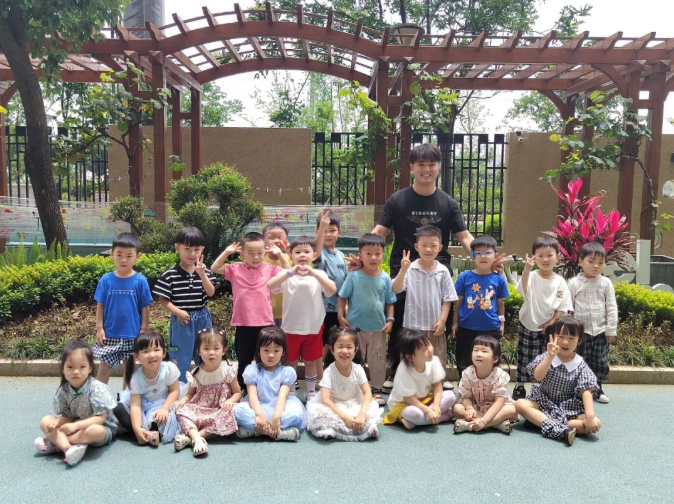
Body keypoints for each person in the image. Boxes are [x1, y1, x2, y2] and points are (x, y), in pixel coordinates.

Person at [370, 144, 474, 392]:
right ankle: (397, 371)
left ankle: (437, 374)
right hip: (404, 270)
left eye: (431, 164)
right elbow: (379, 232)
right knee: (401, 323)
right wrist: (364, 255)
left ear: (438, 167)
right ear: (411, 168)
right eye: (421, 164)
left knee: (437, 324)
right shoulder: (397, 200)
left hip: (438, 271)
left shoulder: (448, 203)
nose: (426, 169)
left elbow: (464, 237)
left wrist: (485, 258)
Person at [211, 232, 290, 388]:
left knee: (266, 358)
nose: (256, 257)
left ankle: (266, 387)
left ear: (265, 253)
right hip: (243, 323)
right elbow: (215, 268)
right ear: (242, 254)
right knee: (244, 359)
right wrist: (227, 252)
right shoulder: (235, 268)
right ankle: (243, 389)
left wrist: (280, 254)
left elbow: (289, 271)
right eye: (251, 253)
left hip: (265, 323)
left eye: (260, 253)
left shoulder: (270, 269)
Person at [267, 235, 337, 400]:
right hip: (290, 328)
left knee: (311, 361)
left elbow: (332, 290)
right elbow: (270, 286)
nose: (302, 255)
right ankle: (290, 390)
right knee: (290, 361)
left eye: (307, 251)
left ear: (314, 255)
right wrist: (289, 272)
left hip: (313, 327)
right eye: (297, 252)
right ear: (290, 256)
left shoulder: (319, 274)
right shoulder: (286, 274)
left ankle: (311, 391)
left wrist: (313, 273)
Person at [515, 316, 601, 446]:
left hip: (569, 408)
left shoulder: (580, 365)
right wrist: (550, 356)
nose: (565, 342)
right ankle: (562, 430)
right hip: (543, 402)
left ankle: (542, 422)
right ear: (553, 336)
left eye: (571, 338)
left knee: (595, 423)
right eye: (561, 337)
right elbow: (538, 376)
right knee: (520, 404)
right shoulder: (547, 356)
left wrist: (589, 417)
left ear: (579, 340)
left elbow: (586, 391)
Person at [392, 225, 457, 389]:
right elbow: (396, 289)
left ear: (440, 248)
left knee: (436, 358)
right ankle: (411, 391)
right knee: (411, 359)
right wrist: (403, 269)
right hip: (412, 327)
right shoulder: (410, 269)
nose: (428, 249)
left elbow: (448, 299)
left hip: (435, 327)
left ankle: (436, 389)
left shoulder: (443, 271)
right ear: (416, 246)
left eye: (433, 245)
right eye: (424, 245)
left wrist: (443, 321)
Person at [35, 341, 117, 466]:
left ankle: (56, 442)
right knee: (45, 421)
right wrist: (57, 423)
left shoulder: (97, 388)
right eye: (70, 367)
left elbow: (100, 418)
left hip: (100, 428)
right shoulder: (63, 390)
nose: (76, 372)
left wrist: (76, 426)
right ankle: (68, 448)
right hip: (74, 427)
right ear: (63, 369)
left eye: (82, 367)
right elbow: (67, 416)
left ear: (90, 368)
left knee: (95, 430)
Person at [338, 233, 396, 406]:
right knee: (355, 360)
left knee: (378, 361)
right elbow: (342, 297)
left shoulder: (385, 278)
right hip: (355, 329)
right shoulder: (354, 276)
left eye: (377, 254)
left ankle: (376, 391)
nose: (373, 258)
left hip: (378, 329)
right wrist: (340, 315)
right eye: (368, 253)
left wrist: (390, 320)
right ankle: (355, 390)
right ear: (360, 255)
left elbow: (390, 302)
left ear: (383, 255)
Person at [153, 227, 218, 382]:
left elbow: (211, 292)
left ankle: (206, 385)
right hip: (182, 320)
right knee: (180, 356)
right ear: (177, 248)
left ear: (202, 250)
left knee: (205, 352)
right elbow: (162, 299)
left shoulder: (205, 272)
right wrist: (177, 312)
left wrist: (202, 275)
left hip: (202, 319)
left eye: (196, 249)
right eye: (187, 249)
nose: (192, 253)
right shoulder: (170, 275)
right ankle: (179, 386)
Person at [512, 237, 572, 401]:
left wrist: (552, 322)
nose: (545, 259)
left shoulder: (560, 281)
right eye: (540, 255)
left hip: (550, 327)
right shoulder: (531, 276)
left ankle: (544, 387)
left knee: (547, 357)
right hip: (528, 324)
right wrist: (526, 270)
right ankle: (520, 384)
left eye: (549, 255)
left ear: (557, 257)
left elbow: (563, 306)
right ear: (534, 257)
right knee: (525, 356)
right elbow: (523, 290)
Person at [93, 232, 152, 385]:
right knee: (104, 367)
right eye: (119, 255)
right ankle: (99, 397)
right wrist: (99, 328)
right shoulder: (106, 280)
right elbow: (100, 305)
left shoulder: (141, 281)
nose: (124, 260)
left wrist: (144, 329)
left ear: (137, 256)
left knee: (129, 369)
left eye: (129, 255)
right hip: (109, 334)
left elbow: (144, 307)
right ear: (111, 254)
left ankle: (127, 398)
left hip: (132, 334)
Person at [306, 327, 382, 441]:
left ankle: (367, 428)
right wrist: (344, 417)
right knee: (319, 414)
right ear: (332, 349)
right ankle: (332, 429)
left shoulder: (358, 369)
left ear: (355, 350)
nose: (345, 351)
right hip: (334, 405)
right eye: (340, 347)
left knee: (370, 411)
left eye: (349, 347)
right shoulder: (329, 372)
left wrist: (361, 413)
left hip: (354, 403)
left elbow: (367, 393)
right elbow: (325, 399)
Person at [174, 328, 241, 457]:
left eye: (216, 348)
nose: (211, 353)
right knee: (181, 411)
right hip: (201, 407)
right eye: (206, 348)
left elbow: (237, 392)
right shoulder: (196, 373)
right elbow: (190, 394)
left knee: (228, 413)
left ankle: (195, 438)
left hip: (219, 408)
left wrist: (230, 401)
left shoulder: (228, 370)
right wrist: (183, 400)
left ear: (224, 350)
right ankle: (196, 438)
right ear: (198, 351)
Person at [114, 331, 187, 446]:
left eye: (156, 350)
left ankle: (145, 430)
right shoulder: (136, 378)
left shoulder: (169, 369)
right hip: (145, 406)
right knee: (118, 409)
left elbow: (174, 391)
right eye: (146, 351)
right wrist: (137, 428)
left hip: (167, 402)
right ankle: (141, 432)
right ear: (136, 356)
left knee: (181, 412)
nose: (152, 355)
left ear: (164, 353)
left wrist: (164, 409)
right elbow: (136, 405)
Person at [234, 327, 307, 441]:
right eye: (266, 350)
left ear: (283, 352)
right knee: (237, 411)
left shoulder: (286, 372)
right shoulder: (252, 370)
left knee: (296, 414)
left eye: (276, 351)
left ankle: (257, 431)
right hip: (257, 407)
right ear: (259, 351)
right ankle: (279, 433)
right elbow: (252, 395)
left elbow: (282, 396)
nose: (271, 355)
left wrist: (276, 418)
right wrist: (260, 415)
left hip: (281, 408)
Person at [567, 242, 618, 404]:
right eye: (591, 261)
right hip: (580, 332)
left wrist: (611, 330)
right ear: (580, 261)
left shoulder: (606, 283)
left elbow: (611, 307)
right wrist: (569, 331)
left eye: (600, 263)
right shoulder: (574, 283)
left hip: (601, 331)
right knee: (579, 360)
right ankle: (578, 390)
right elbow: (568, 308)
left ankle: (597, 388)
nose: (596, 266)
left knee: (600, 361)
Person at [452, 235, 509, 376]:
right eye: (478, 253)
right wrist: (455, 323)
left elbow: (500, 303)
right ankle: (465, 385)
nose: (483, 256)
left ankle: (488, 385)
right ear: (472, 256)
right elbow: (458, 302)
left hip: (490, 327)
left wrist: (502, 324)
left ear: (495, 255)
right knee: (464, 359)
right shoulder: (464, 277)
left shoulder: (499, 279)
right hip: (466, 327)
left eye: (487, 252)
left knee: (490, 360)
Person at [382, 329, 456, 429]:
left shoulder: (434, 361)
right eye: (424, 350)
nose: (430, 350)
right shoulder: (404, 370)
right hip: (404, 403)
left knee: (451, 396)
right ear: (410, 357)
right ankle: (443, 417)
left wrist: (436, 405)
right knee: (413, 413)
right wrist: (427, 411)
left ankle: (420, 421)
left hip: (426, 399)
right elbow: (408, 398)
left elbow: (437, 386)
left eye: (428, 344)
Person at [452, 335, 518, 434]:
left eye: (484, 351)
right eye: (476, 350)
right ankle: (496, 423)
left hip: (496, 408)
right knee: (457, 408)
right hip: (476, 407)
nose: (479, 354)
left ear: (495, 359)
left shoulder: (500, 375)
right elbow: (466, 396)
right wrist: (469, 408)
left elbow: (499, 402)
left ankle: (472, 425)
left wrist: (484, 421)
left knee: (510, 409)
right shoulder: (467, 373)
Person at [313, 208, 348, 382]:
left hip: (338, 309)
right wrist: (322, 229)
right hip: (322, 308)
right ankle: (320, 378)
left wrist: (346, 305)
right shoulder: (319, 253)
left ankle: (334, 376)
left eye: (332, 230)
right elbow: (316, 250)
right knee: (322, 344)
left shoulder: (341, 255)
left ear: (339, 231)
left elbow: (346, 283)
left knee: (334, 343)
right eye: (324, 231)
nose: (328, 234)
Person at [262, 222, 292, 326]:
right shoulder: (259, 261)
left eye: (280, 237)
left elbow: (293, 276)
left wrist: (285, 253)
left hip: (287, 313)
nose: (276, 241)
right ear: (263, 241)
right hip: (266, 313)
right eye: (271, 238)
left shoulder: (291, 259)